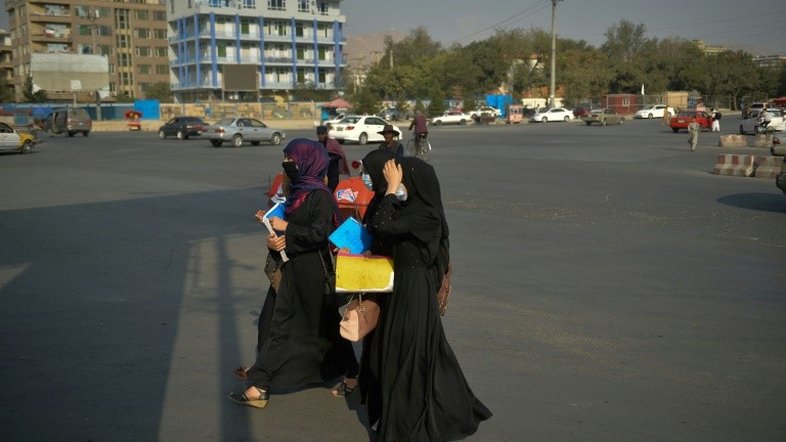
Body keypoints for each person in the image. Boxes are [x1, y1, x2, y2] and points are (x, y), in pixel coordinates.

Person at [359, 155, 492, 440]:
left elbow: (383, 224)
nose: (397, 183)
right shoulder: (407, 209)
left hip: (414, 291)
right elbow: (378, 229)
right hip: (398, 289)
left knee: (410, 354)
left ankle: (405, 422)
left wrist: (391, 189)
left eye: (402, 178)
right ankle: (400, 411)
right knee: (399, 352)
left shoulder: (427, 216)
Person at [230, 138, 344, 409]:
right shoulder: (297, 192)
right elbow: (291, 229)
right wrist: (273, 235)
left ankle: (260, 385)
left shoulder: (320, 196)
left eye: (291, 158)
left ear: (307, 161)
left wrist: (286, 228)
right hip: (290, 264)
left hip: (309, 270)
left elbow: (319, 234)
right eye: (286, 158)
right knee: (284, 321)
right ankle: (348, 372)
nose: (286, 163)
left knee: (283, 324)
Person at [316, 125, 350, 192]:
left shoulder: (333, 143)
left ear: (326, 134)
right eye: (319, 134)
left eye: (322, 134)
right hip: (322, 173)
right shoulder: (317, 144)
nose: (321, 136)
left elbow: (340, 155)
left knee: (332, 191)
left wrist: (330, 158)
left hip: (333, 172)